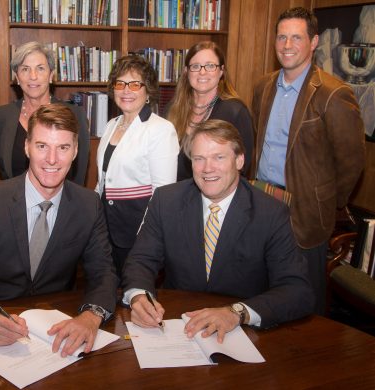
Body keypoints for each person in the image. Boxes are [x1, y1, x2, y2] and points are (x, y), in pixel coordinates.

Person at [0, 103, 118, 357]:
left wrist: (91, 316)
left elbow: (104, 273)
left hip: (55, 335)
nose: (52, 159)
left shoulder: (88, 205)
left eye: (63, 148)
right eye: (42, 146)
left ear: (76, 151)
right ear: (27, 147)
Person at [122, 119, 314, 342]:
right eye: (199, 159)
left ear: (239, 160)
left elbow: (297, 290)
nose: (207, 168)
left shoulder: (270, 213)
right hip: (178, 326)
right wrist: (138, 296)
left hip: (242, 334)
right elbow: (140, 260)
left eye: (219, 157)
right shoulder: (166, 201)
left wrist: (237, 313)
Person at [250, 7, 365, 314]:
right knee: (260, 287)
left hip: (304, 211)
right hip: (261, 197)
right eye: (282, 37)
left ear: (313, 42)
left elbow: (351, 163)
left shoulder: (333, 93)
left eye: (296, 37)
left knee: (303, 298)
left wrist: (325, 201)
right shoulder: (264, 86)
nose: (287, 45)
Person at [95, 55, 179, 278]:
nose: (126, 91)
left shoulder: (161, 129)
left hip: (136, 231)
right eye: (120, 84)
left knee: (134, 295)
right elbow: (103, 180)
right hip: (106, 231)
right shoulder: (110, 125)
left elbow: (163, 193)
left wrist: (146, 238)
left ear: (148, 90)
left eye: (134, 84)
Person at [0, 41, 89, 185]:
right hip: (13, 203)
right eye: (25, 69)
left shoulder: (74, 115)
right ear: (17, 78)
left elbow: (79, 174)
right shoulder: (2, 116)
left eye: (40, 68)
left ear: (51, 75)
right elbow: (3, 173)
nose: (33, 76)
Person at [167, 41, 254, 180]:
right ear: (186, 72)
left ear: (221, 71)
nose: (202, 72)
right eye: (195, 66)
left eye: (210, 66)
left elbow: (242, 167)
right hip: (176, 195)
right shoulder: (172, 110)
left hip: (216, 197)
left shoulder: (236, 112)